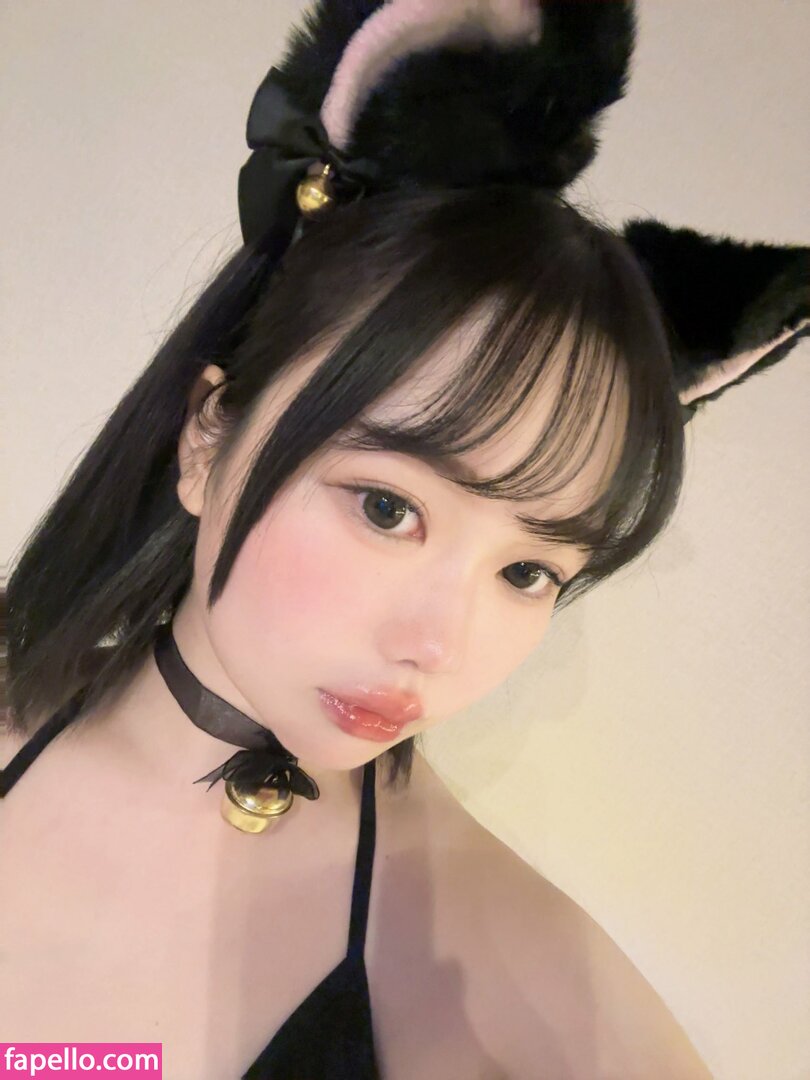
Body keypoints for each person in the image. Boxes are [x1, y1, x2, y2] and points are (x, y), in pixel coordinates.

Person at [1, 3, 806, 1078]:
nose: (439, 644)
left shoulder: (523, 989)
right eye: (389, 508)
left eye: (529, 570)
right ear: (208, 437)